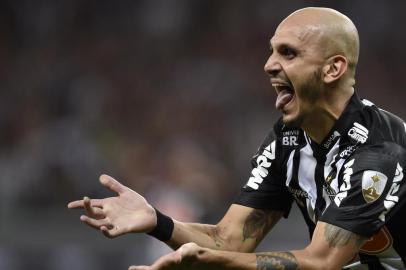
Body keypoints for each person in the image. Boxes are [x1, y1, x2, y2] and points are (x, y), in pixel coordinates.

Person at [68, 7, 406, 270]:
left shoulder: (380, 151)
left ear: (333, 69)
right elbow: (229, 240)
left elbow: (322, 262)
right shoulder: (288, 141)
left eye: (288, 54)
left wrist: (210, 262)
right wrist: (158, 222)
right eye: (272, 52)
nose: (269, 65)